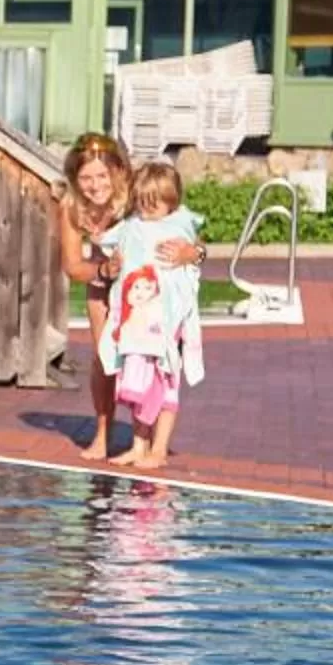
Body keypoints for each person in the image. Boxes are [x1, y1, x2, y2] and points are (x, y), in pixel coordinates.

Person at [55, 133, 203, 460]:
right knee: (105, 360)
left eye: (101, 176)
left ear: (117, 172)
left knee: (153, 358)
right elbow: (72, 265)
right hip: (103, 280)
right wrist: (105, 271)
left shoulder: (137, 191)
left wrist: (192, 254)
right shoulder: (71, 206)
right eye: (85, 178)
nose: (94, 185)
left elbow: (193, 239)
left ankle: (147, 441)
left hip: (150, 289)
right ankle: (104, 434)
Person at [97, 159, 207, 472]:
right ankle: (138, 444)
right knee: (136, 378)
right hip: (137, 322)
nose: (147, 211)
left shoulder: (179, 227)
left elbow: (198, 248)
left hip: (168, 322)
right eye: (142, 203)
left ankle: (159, 448)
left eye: (154, 204)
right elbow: (107, 240)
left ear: (171, 203)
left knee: (167, 379)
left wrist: (193, 252)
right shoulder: (132, 227)